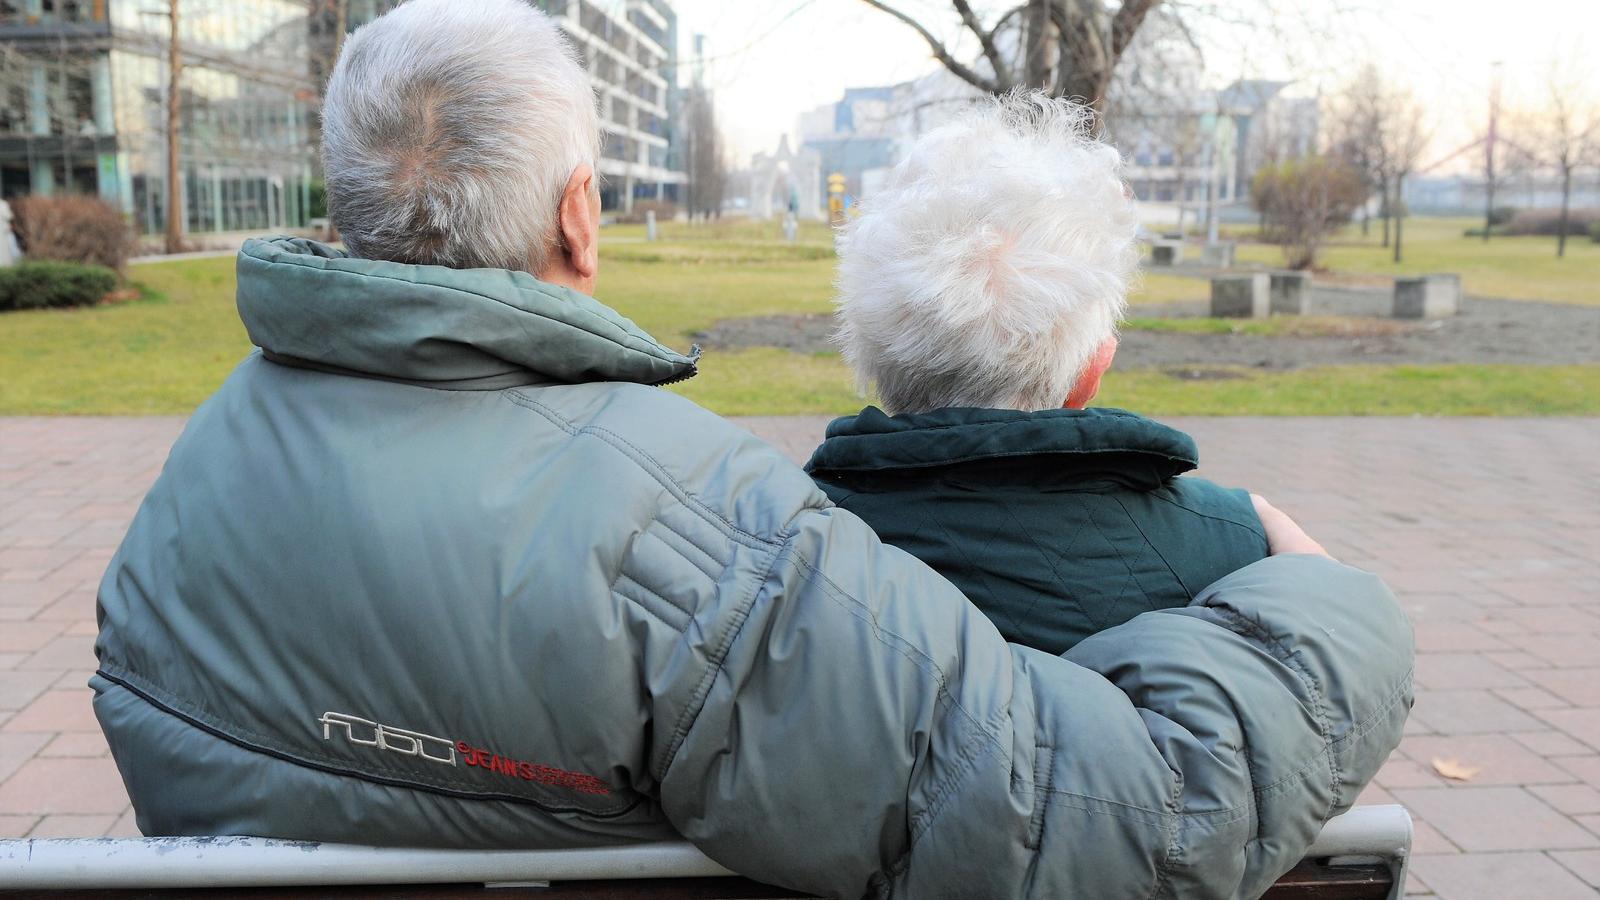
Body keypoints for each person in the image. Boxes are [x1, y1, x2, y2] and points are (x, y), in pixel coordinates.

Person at [92, 3, 1413, 898]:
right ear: (579, 212)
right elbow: (1098, 812)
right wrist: (1322, 607)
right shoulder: (681, 531)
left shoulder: (187, 491)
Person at [807, 94, 1270, 655]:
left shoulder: (779, 543)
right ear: (1091, 370)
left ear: (870, 352)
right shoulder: (1235, 548)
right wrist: (1258, 519)